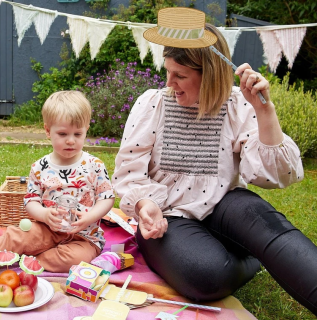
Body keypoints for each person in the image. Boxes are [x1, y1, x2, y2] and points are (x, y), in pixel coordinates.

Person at [113, 7, 317, 315]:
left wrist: (265, 111)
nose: (170, 83)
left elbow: (279, 176)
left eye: (180, 75)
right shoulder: (152, 104)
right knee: (206, 276)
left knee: (273, 231)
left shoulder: (236, 105)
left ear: (209, 75)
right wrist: (144, 205)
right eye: (168, 72)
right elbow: (129, 173)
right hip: (169, 215)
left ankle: (261, 249)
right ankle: (252, 256)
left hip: (223, 206)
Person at [0, 90, 115, 287]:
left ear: (86, 130)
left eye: (78, 134)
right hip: (47, 228)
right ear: (48, 131)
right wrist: (44, 214)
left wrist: (89, 218)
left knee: (73, 259)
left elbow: (107, 197)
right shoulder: (40, 167)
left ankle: (27, 259)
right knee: (16, 236)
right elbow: (30, 201)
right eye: (63, 134)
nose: (71, 140)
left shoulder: (94, 165)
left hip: (84, 237)